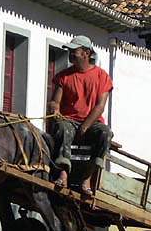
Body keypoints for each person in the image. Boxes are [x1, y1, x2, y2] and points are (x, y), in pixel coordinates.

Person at [48, 35, 113, 197]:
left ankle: (87, 179)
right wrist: (54, 109)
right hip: (69, 121)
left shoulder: (102, 76)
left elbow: (100, 106)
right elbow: (55, 101)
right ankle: (63, 174)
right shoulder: (64, 77)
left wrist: (85, 126)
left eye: (74, 51)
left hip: (92, 123)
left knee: (105, 133)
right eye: (69, 51)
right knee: (62, 127)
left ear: (86, 53)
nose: (70, 54)